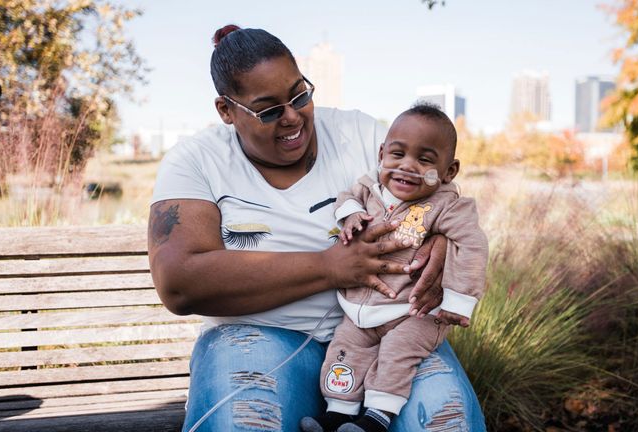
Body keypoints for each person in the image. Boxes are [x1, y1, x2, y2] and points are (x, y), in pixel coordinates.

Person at [148, 24, 487, 431]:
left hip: (390, 329)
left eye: (300, 95)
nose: (293, 117)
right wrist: (331, 267)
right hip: (259, 335)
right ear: (226, 110)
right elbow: (180, 281)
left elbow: (434, 184)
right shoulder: (196, 161)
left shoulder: (359, 134)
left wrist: (439, 241)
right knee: (244, 421)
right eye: (270, 109)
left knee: (445, 420)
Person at [300, 104, 488, 432]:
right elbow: (347, 197)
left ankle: (377, 417)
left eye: (425, 160)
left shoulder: (448, 206)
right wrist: (350, 215)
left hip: (414, 312)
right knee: (344, 350)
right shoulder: (371, 186)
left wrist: (459, 301)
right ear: (381, 153)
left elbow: (472, 246)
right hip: (360, 309)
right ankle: (338, 413)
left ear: (449, 170)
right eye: (397, 154)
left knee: (396, 354)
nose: (407, 167)